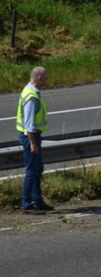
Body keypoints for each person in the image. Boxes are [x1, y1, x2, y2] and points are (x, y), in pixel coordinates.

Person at [16, 67, 52, 214]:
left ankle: (37, 201)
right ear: (39, 78)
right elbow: (29, 124)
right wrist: (32, 143)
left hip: (33, 136)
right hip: (30, 137)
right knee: (32, 171)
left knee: (38, 169)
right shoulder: (31, 96)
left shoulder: (31, 91)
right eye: (46, 77)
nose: (47, 80)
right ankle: (27, 204)